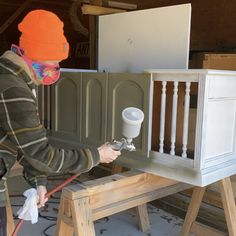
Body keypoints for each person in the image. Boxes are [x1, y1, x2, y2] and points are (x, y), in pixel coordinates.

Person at [0, 9, 120, 235]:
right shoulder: (14, 89)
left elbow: (22, 142)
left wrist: (38, 180)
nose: (55, 68)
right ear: (34, 55)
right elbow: (43, 154)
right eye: (53, 61)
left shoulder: (11, 74)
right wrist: (96, 155)